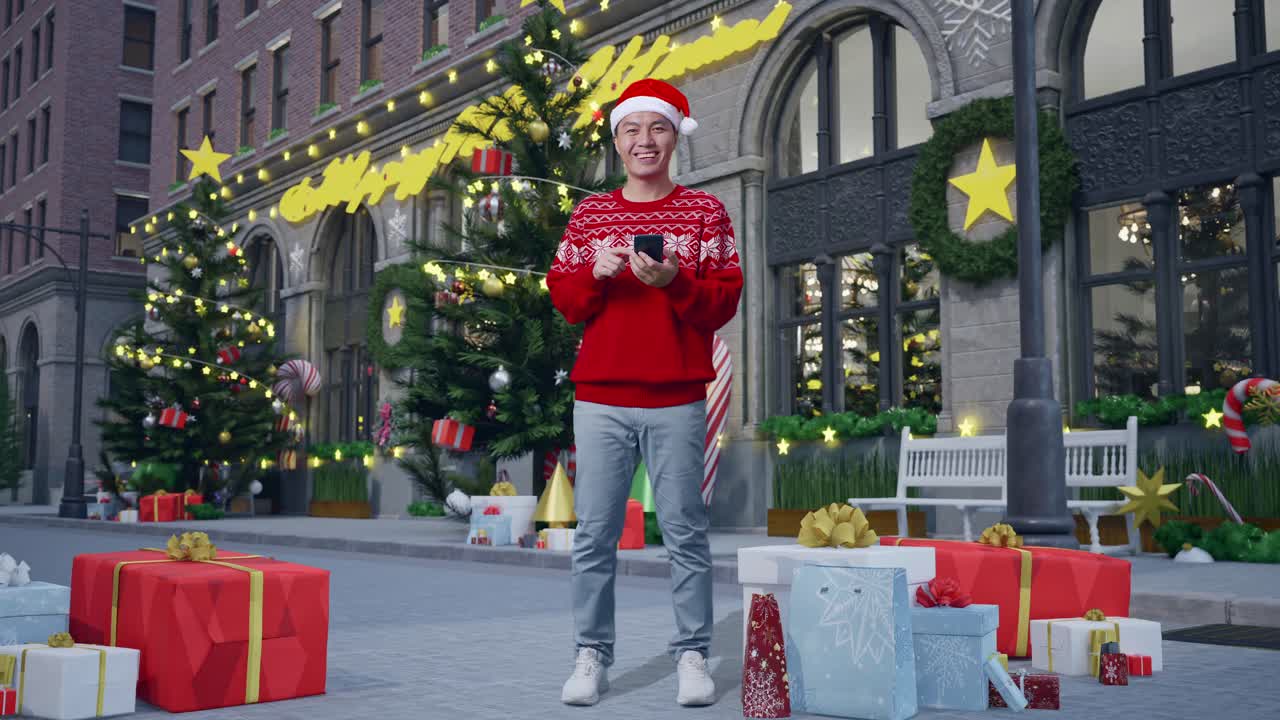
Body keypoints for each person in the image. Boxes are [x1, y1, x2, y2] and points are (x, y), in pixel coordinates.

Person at [547, 78, 743, 708]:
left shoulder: (705, 213)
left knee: (685, 531)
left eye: (657, 128)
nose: (644, 141)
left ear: (674, 136)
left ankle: (692, 655)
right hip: (600, 396)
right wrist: (597, 277)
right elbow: (566, 302)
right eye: (632, 130)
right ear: (617, 141)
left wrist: (673, 280)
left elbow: (724, 302)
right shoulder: (590, 215)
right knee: (595, 534)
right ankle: (591, 656)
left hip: (677, 395)